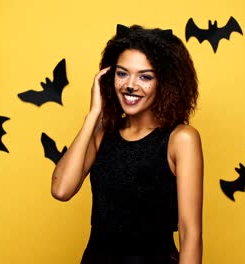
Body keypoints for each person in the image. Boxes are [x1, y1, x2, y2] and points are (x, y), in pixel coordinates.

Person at [51, 24, 203, 264]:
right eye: (122, 73)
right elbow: (61, 190)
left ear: (165, 83)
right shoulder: (103, 131)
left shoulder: (181, 139)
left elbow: (190, 233)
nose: (130, 84)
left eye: (145, 76)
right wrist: (93, 115)